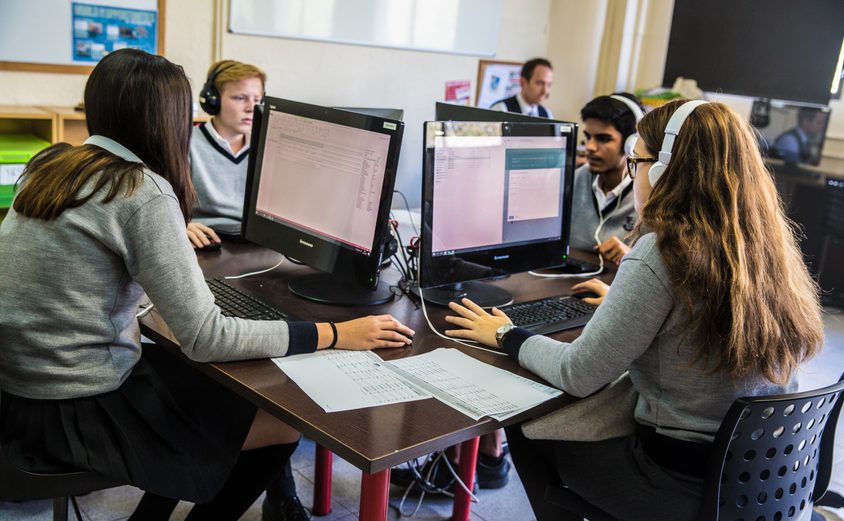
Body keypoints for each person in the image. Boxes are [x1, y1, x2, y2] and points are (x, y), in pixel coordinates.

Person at [0, 49, 414, 521]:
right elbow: (206, 338)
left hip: (18, 395)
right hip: (74, 409)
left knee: (209, 386)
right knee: (281, 419)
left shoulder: (51, 165)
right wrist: (334, 334)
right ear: (168, 119)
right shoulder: (139, 190)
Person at [442, 99, 824, 521]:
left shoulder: (662, 252)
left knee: (525, 424)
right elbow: (703, 319)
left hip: (678, 486)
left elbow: (578, 373)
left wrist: (505, 334)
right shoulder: (764, 245)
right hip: (763, 481)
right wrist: (629, 306)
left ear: (664, 170)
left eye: (636, 162)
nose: (633, 173)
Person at [186, 59, 264, 249]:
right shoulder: (185, 144)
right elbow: (165, 206)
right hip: (207, 241)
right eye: (240, 98)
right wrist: (181, 226)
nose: (251, 108)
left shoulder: (266, 148)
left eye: (257, 100)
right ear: (213, 100)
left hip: (255, 242)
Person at [570, 93, 643, 265]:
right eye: (588, 136)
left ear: (630, 144)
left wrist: (632, 257)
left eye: (604, 139)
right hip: (570, 281)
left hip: (617, 288)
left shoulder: (644, 192)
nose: (590, 147)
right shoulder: (577, 179)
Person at [490, 58, 554, 118]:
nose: (545, 91)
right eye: (539, 83)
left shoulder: (547, 114)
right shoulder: (501, 110)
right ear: (523, 82)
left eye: (549, 85)